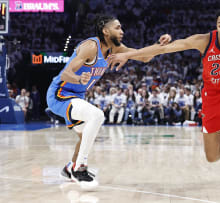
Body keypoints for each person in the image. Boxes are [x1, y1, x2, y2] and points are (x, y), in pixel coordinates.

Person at [108, 8, 220, 190]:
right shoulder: (204, 40)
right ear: (216, 27)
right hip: (211, 97)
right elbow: (164, 48)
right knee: (212, 156)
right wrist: (128, 55)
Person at [46, 15, 171, 189]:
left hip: (77, 97)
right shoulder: (90, 46)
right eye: (118, 28)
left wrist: (161, 45)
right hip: (60, 93)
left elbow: (143, 57)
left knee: (84, 137)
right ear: (106, 31)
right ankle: (80, 168)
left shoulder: (115, 48)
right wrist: (78, 79)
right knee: (96, 116)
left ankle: (69, 168)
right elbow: (65, 73)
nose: (122, 31)